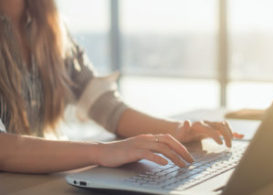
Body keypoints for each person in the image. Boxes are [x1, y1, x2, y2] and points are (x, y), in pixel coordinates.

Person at [0, 0, 243, 174]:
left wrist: (178, 130)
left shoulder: (50, 25)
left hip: (44, 181)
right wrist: (101, 152)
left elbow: (107, 108)